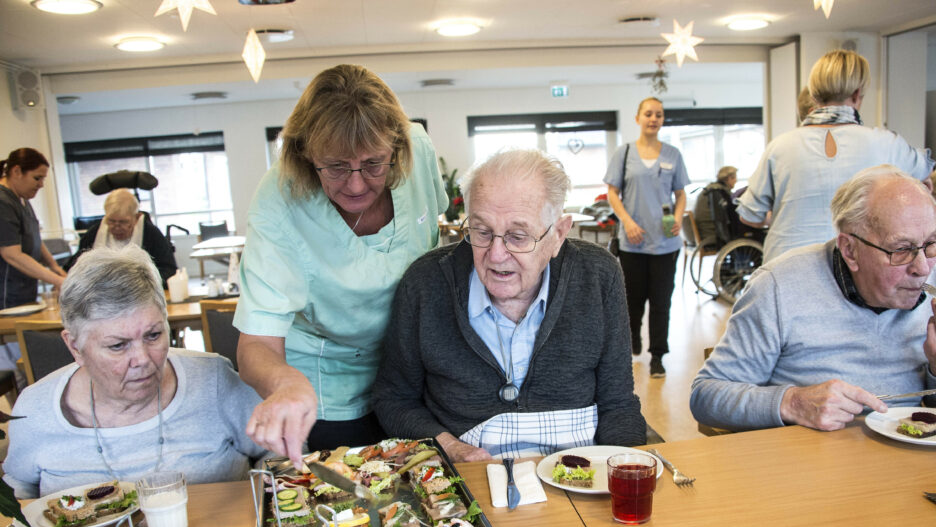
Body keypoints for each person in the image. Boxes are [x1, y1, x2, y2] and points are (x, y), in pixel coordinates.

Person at [234, 64, 447, 466]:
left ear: (397, 149)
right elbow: (256, 344)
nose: (356, 184)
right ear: (305, 155)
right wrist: (285, 383)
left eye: (374, 164)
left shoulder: (417, 149)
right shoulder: (278, 202)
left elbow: (437, 245)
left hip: (415, 373)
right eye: (335, 167)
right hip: (328, 385)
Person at [374, 149, 646, 461]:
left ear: (558, 234)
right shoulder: (425, 282)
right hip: (468, 475)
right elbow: (394, 399)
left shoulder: (598, 274)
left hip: (579, 471)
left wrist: (627, 472)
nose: (496, 255)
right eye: (482, 232)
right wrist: (450, 448)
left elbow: (618, 403)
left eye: (517, 236)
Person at [691, 165, 936, 433]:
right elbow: (706, 395)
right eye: (902, 249)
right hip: (809, 462)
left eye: (931, 243)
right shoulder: (780, 286)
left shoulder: (933, 277)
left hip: (910, 458)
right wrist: (792, 403)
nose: (922, 268)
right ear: (850, 250)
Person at [3, 245, 267, 498]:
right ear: (75, 347)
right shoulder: (35, 409)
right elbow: (18, 491)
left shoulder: (214, 381)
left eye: (153, 335)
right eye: (118, 346)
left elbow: (276, 454)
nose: (142, 359)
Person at [738, 50, 934, 263]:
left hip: (787, 263)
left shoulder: (779, 147)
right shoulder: (887, 144)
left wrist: (787, 217)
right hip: (855, 264)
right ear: (857, 94)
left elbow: (750, 216)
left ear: (813, 96)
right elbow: (926, 181)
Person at [603, 97, 689, 378]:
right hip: (633, 243)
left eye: (659, 115)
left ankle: (657, 356)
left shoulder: (673, 154)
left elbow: (680, 195)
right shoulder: (624, 153)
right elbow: (612, 193)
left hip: (666, 243)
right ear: (637, 118)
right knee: (633, 300)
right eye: (649, 114)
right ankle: (633, 341)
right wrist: (627, 222)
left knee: (661, 302)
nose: (654, 119)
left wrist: (678, 218)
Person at [65, 188, 177, 286]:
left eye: (123, 222)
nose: (116, 227)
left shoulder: (151, 233)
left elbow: (169, 270)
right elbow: (74, 266)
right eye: (111, 221)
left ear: (136, 218)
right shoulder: (95, 233)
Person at [0, 147, 66, 308]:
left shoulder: (22, 199)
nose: (41, 185)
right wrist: (58, 281)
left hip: (23, 291)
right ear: (16, 171)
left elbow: (33, 237)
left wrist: (54, 266)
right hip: (6, 295)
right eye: (37, 178)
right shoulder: (3, 202)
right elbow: (11, 254)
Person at [693, 165, 741, 245]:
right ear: (729, 178)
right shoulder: (718, 191)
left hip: (703, 231)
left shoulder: (711, 188)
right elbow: (731, 214)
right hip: (711, 233)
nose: (736, 181)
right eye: (735, 178)